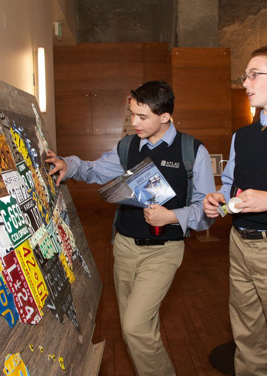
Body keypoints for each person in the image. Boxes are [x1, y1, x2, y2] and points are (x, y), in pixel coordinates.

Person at [46, 80, 215, 376]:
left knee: (135, 328)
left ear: (165, 116)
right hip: (123, 248)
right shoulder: (127, 146)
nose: (134, 122)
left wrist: (172, 216)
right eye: (132, 114)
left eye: (142, 117)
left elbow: (207, 211)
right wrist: (68, 165)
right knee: (137, 331)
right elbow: (96, 169)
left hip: (163, 253)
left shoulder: (192, 151)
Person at [203, 46, 267, 375]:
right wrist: (217, 199)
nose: (245, 82)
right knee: (247, 341)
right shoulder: (242, 136)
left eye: (253, 74)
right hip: (239, 244)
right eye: (244, 76)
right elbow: (231, 181)